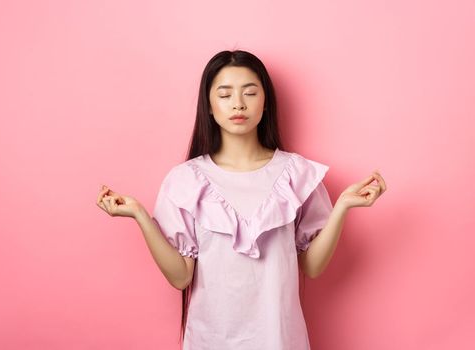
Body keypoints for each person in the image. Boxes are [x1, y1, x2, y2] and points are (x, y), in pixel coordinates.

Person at [95, 50, 387, 349]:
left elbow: (311, 267)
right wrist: (140, 215)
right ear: (208, 105)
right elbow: (181, 277)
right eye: (225, 94)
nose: (238, 103)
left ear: (265, 101)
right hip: (212, 339)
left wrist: (343, 207)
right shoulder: (185, 180)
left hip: (280, 339)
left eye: (250, 92)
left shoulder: (296, 174)